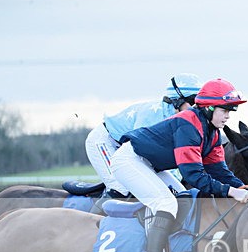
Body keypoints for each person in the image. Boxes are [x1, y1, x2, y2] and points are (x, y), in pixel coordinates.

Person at [109, 78, 248, 252]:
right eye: (224, 111)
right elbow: (194, 176)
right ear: (210, 107)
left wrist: (241, 186)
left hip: (149, 164)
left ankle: (175, 251)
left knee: (184, 197)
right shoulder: (188, 124)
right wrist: (231, 192)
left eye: (230, 111)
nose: (228, 116)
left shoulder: (212, 133)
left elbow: (219, 171)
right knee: (166, 203)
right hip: (129, 160)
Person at [85, 73, 203, 211]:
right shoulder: (153, 115)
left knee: (178, 191)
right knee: (120, 186)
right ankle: (92, 225)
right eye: (194, 102)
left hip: (129, 149)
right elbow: (137, 148)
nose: (197, 108)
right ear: (177, 100)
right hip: (106, 142)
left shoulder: (180, 118)